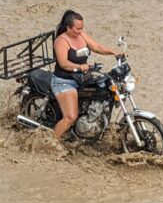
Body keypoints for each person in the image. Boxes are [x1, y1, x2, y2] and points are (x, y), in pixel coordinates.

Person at [51, 10, 119, 141]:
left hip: (81, 78)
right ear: (69, 28)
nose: (80, 31)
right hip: (64, 81)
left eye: (82, 28)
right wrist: (80, 67)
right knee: (70, 117)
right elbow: (63, 63)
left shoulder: (81, 35)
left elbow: (97, 46)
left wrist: (113, 52)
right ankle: (51, 143)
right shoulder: (61, 41)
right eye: (77, 29)